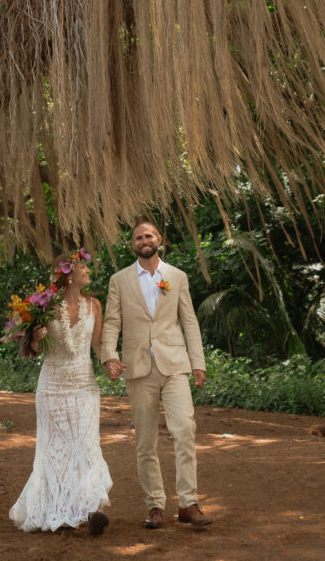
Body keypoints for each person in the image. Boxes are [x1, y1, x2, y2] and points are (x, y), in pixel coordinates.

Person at [100, 220, 213, 531]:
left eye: (148, 235)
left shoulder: (176, 276)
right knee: (145, 441)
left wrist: (197, 362)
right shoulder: (119, 280)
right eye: (138, 237)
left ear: (159, 239)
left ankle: (189, 503)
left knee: (185, 428)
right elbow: (111, 323)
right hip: (137, 369)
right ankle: (154, 506)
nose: (143, 240)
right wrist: (109, 356)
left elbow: (189, 321)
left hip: (174, 364)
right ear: (133, 245)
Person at [9, 250, 112, 536]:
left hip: (84, 383)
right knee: (56, 450)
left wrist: (111, 363)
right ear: (67, 275)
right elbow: (31, 350)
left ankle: (95, 509)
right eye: (82, 266)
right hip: (52, 387)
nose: (88, 270)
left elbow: (98, 345)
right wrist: (36, 340)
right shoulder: (43, 307)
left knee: (88, 445)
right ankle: (61, 507)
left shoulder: (94, 305)